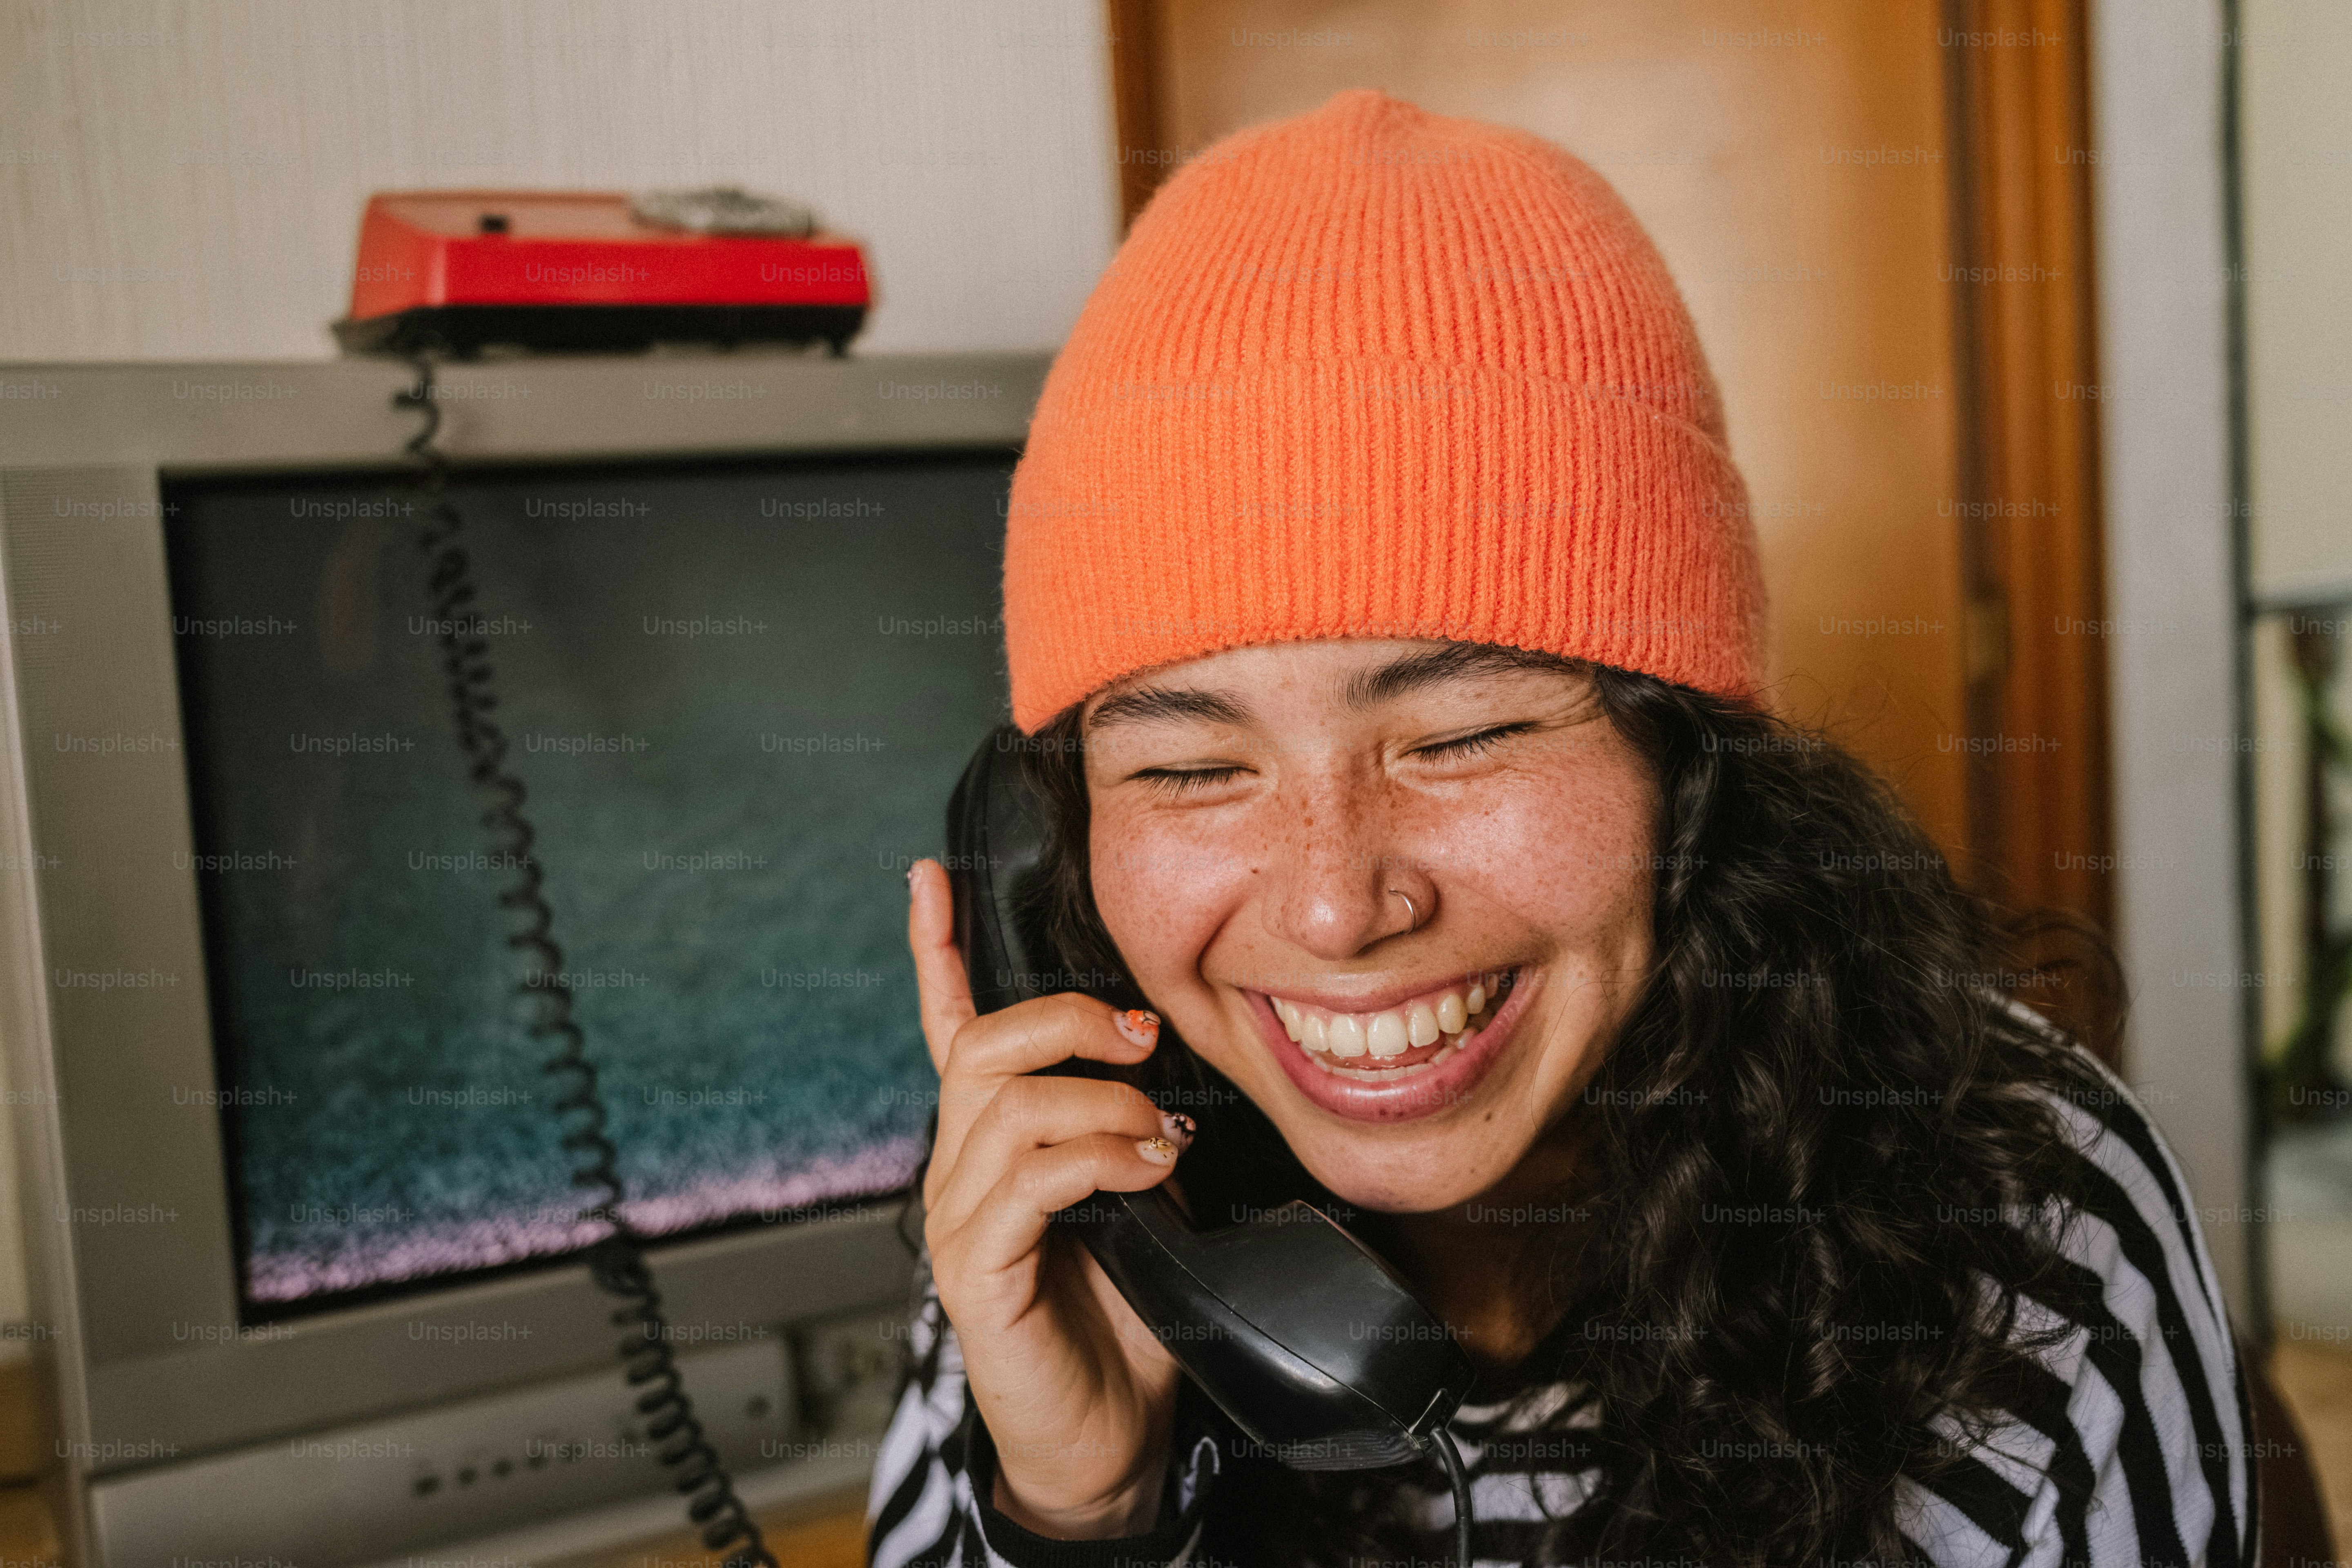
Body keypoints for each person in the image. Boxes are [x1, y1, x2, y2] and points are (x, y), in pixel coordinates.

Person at [867, 89, 2249, 1568]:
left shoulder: (2032, 1237)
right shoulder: (1072, 1204)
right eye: (1194, 771)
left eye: (1463, 737)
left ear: (1691, 764)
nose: (1336, 909)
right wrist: (1082, 1512)